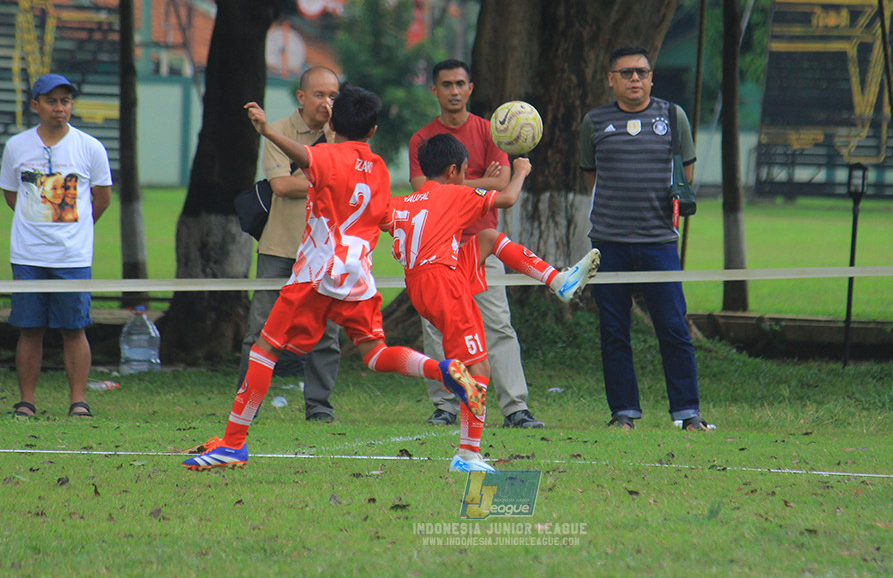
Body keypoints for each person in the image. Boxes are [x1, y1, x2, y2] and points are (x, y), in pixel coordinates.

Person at [183, 86, 485, 471]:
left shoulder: (326, 155)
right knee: (374, 354)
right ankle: (442, 369)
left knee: (265, 350)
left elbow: (304, 154)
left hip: (316, 273)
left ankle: (233, 443)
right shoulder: (377, 168)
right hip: (358, 276)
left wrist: (267, 132)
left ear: (331, 122)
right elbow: (387, 217)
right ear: (373, 131)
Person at [385, 133, 600, 472]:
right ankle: (468, 455)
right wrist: (521, 171)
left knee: (487, 238)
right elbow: (509, 198)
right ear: (454, 170)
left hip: (423, 282)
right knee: (478, 368)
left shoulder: (404, 201)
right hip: (444, 282)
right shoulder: (455, 193)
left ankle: (558, 280)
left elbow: (385, 223)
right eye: (465, 170)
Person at [579, 45, 713, 432]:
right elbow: (593, 176)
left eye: (641, 72)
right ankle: (624, 413)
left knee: (673, 326)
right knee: (614, 330)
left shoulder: (673, 116)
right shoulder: (595, 121)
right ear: (611, 79)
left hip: (659, 242)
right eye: (626, 73)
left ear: (652, 77)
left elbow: (684, 173)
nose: (634, 78)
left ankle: (687, 413)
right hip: (608, 243)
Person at [408, 59, 543, 429]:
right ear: (434, 90)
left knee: (497, 324)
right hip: (436, 250)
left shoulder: (491, 131)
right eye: (446, 84)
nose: (453, 90)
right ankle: (446, 405)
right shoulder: (423, 139)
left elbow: (500, 188)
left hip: (482, 247)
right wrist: (481, 182)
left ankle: (516, 408)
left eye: (460, 84)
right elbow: (422, 189)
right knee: (437, 330)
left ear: (471, 88)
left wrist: (452, 187)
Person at [0, 73, 112, 418]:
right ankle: (26, 401)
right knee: (29, 328)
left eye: (65, 101)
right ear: (36, 105)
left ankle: (78, 401)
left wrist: (76, 230)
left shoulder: (90, 147)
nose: (59, 108)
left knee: (74, 328)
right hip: (28, 255)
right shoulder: (17, 146)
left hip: (72, 256)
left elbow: (102, 198)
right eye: (51, 101)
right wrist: (38, 223)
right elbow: (10, 195)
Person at [238, 66, 343, 422]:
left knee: (326, 334)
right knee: (260, 329)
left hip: (325, 250)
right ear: (301, 97)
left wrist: (332, 144)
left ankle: (319, 408)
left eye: (333, 96)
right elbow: (281, 186)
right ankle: (246, 404)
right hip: (281, 245)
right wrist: (330, 179)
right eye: (319, 95)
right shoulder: (277, 130)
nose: (327, 103)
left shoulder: (343, 136)